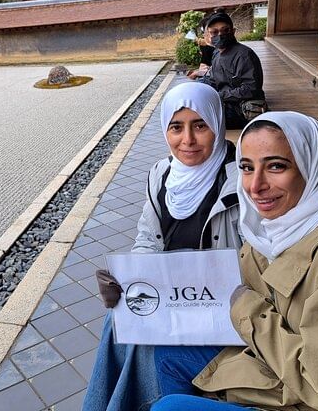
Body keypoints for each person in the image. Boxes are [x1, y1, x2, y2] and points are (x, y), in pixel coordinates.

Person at [151, 111, 318, 410]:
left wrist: (248, 311)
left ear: (311, 166)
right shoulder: (274, 230)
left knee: (171, 406)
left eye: (276, 166)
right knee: (167, 352)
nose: (255, 185)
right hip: (287, 375)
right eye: (247, 167)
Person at [82, 82, 243, 411]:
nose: (188, 140)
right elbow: (147, 239)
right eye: (176, 127)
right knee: (117, 321)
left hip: (223, 310)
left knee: (149, 349)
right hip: (173, 299)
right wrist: (127, 279)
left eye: (200, 126)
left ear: (217, 123)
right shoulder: (162, 174)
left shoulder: (241, 180)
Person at [196, 11, 266, 129]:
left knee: (199, 118)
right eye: (214, 32)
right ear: (208, 35)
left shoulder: (244, 55)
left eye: (225, 30)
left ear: (233, 31)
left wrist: (218, 96)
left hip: (240, 109)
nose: (220, 35)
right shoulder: (217, 54)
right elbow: (212, 80)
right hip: (225, 103)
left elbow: (251, 89)